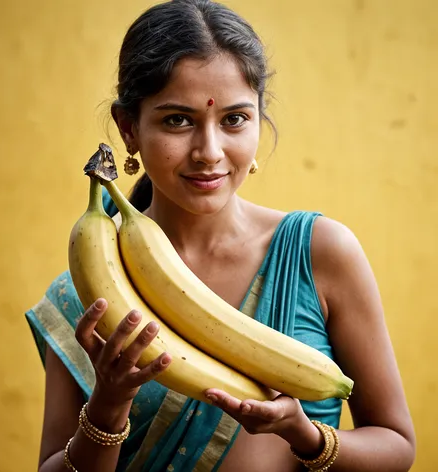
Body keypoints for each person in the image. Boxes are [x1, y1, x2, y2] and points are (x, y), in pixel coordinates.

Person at [25, 0, 416, 470]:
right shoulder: (90, 293)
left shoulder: (320, 254)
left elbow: (397, 448)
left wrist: (305, 435)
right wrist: (109, 405)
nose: (209, 152)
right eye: (177, 120)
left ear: (258, 118)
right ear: (129, 128)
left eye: (234, 119)